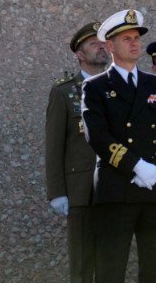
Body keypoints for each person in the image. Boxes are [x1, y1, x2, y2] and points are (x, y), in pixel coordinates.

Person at [80, 10, 156, 283]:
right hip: (117, 188)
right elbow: (97, 136)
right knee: (111, 268)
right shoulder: (95, 87)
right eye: (126, 39)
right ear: (110, 46)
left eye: (136, 38)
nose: (135, 43)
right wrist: (137, 166)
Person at [45, 22, 109, 282]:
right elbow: (54, 146)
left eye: (104, 42)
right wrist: (57, 193)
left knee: (111, 262)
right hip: (80, 191)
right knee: (82, 264)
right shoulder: (64, 92)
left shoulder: (121, 87)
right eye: (94, 44)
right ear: (80, 55)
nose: (102, 47)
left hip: (116, 190)